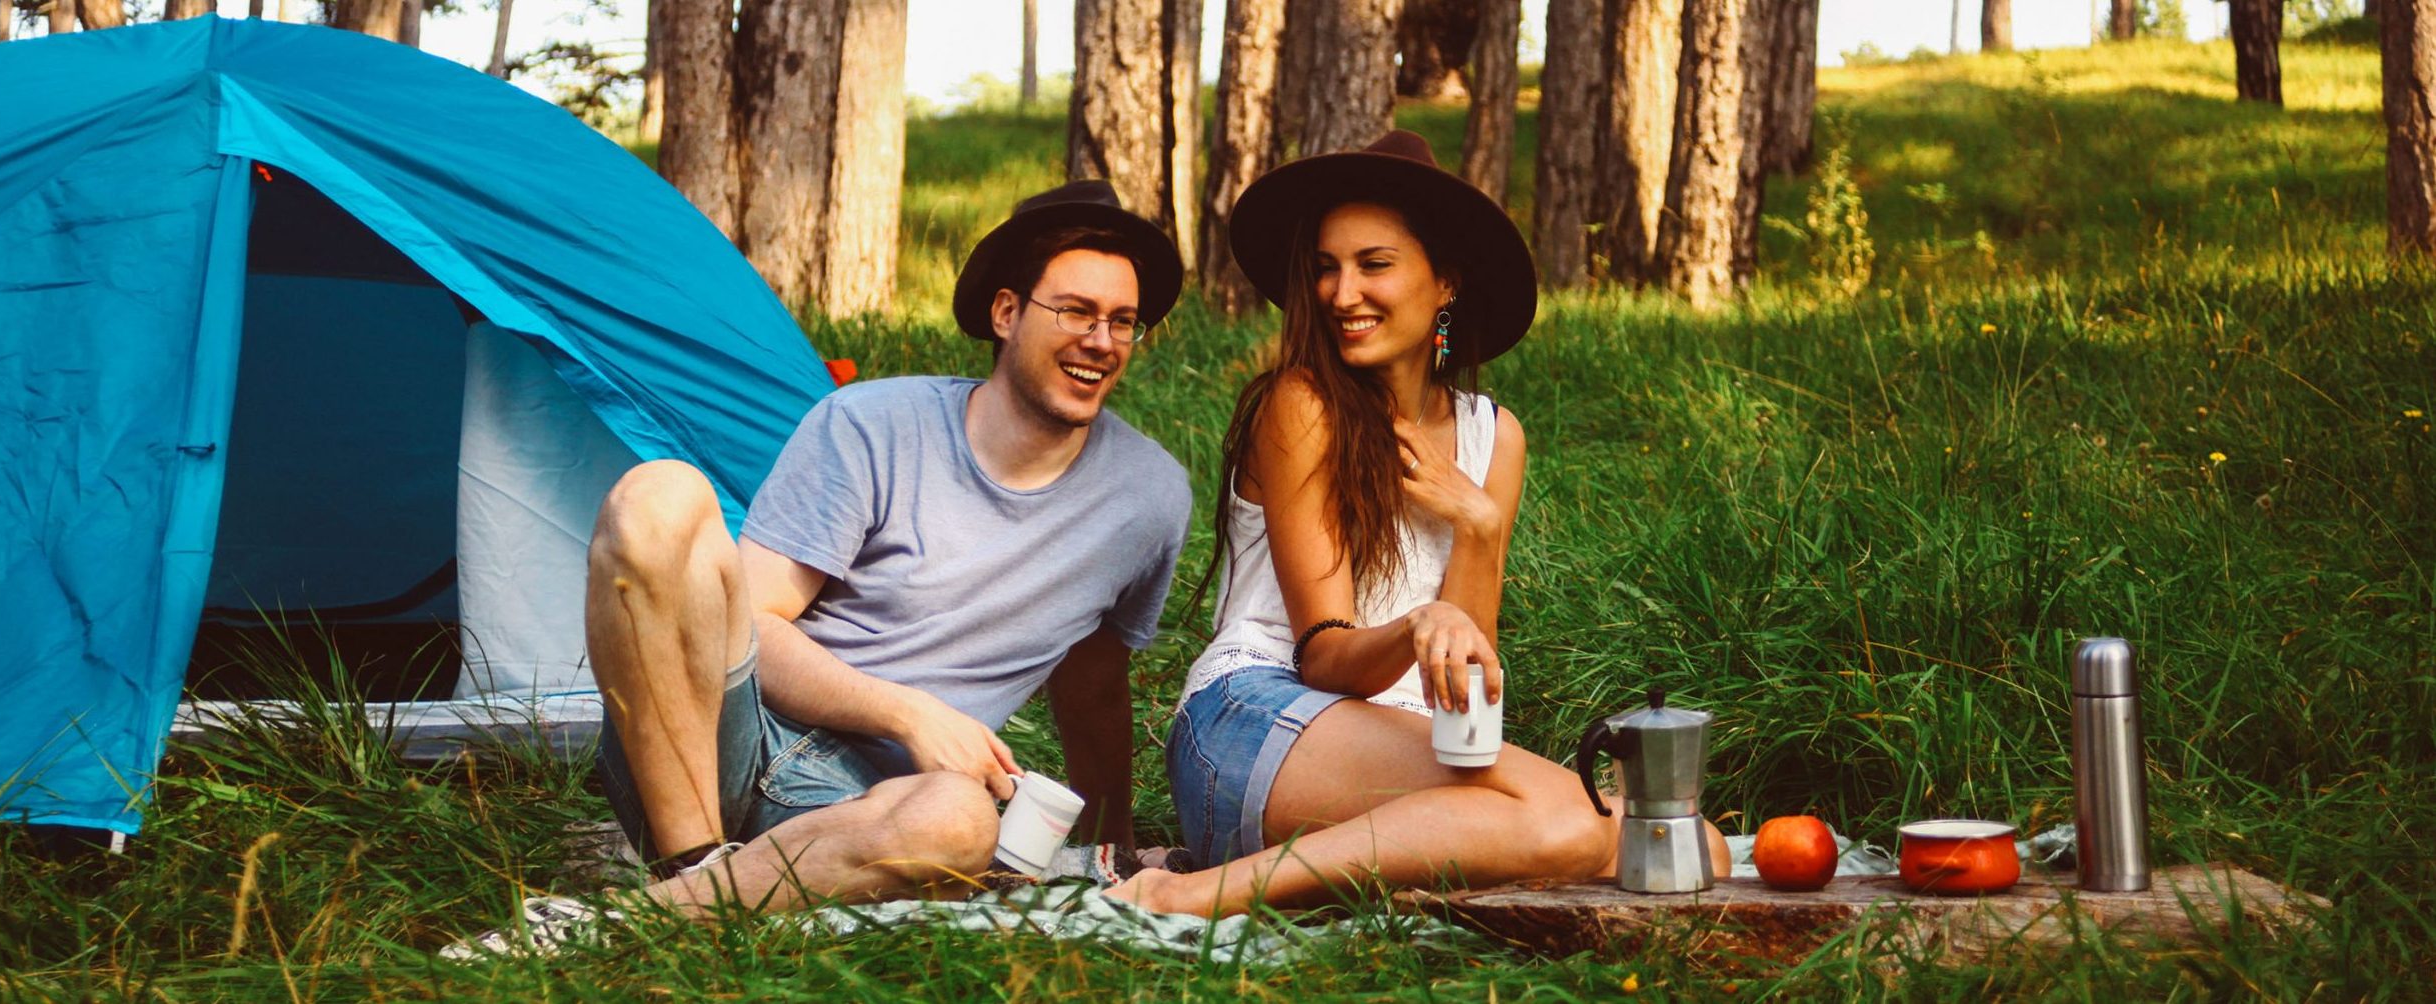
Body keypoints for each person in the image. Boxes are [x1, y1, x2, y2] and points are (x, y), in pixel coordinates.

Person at [449, 181, 1192, 955]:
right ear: (1007, 313)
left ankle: (658, 912)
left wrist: (1112, 844)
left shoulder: (1147, 496)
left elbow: (1094, 678)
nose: (1101, 341)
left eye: (1122, 322)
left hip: (877, 804)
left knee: (961, 818)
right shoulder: (874, 423)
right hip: (719, 744)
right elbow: (758, 630)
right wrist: (910, 712)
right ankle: (694, 861)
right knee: (657, 495)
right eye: (1074, 311)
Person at [1110, 132, 1728, 918]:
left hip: (1400, 737)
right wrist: (1415, 624)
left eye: (1374, 264)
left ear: (1444, 283)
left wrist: (1476, 521)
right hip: (1255, 715)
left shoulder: (1491, 436)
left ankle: (1380, 862)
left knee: (1688, 842)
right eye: (1326, 268)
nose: (1341, 294)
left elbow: (1463, 676)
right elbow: (1326, 659)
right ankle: (1194, 894)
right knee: (1579, 827)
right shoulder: (1299, 407)